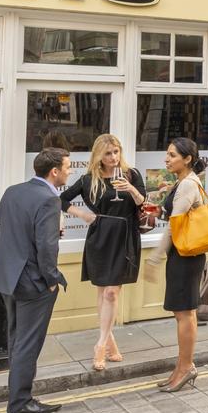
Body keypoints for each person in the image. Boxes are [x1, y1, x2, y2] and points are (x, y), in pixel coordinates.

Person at [0, 147, 70, 413]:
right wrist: (52, 279)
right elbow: (46, 248)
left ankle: (18, 397)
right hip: (34, 281)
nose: (69, 171)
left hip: (8, 276)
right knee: (28, 343)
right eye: (67, 167)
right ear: (54, 171)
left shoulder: (13, 191)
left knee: (17, 339)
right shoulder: (49, 200)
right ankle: (20, 402)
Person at [60, 134, 146, 371]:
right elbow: (62, 199)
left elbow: (143, 202)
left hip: (125, 234)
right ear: (99, 155)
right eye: (108, 153)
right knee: (103, 291)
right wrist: (83, 215)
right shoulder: (89, 180)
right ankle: (110, 341)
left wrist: (130, 189)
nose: (114, 157)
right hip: (100, 235)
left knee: (111, 293)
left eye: (116, 152)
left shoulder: (131, 174)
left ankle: (100, 345)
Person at [144, 139, 207, 392]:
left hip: (185, 256)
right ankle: (181, 367)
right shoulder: (182, 182)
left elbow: (175, 226)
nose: (166, 159)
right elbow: (171, 216)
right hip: (183, 254)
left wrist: (155, 257)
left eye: (172, 155)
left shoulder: (188, 184)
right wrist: (155, 210)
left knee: (185, 314)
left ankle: (187, 367)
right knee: (183, 313)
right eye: (167, 154)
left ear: (187, 158)